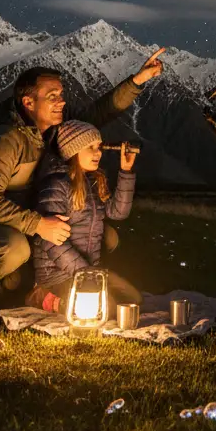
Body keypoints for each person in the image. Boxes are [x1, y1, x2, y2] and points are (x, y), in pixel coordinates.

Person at [0, 47, 165, 315]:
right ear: (28, 103)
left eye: (61, 95)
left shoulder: (59, 130)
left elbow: (100, 112)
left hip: (21, 219)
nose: (61, 101)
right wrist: (38, 225)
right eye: (52, 96)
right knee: (15, 249)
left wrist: (138, 81)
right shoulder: (6, 141)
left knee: (105, 236)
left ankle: (31, 289)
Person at [26, 120, 141, 312]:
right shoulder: (56, 185)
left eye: (99, 147)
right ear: (72, 151)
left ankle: (77, 295)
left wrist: (126, 171)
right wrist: (84, 272)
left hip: (88, 269)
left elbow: (118, 213)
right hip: (57, 274)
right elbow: (51, 242)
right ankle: (44, 297)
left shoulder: (94, 181)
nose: (98, 153)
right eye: (91, 148)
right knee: (106, 309)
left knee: (132, 300)